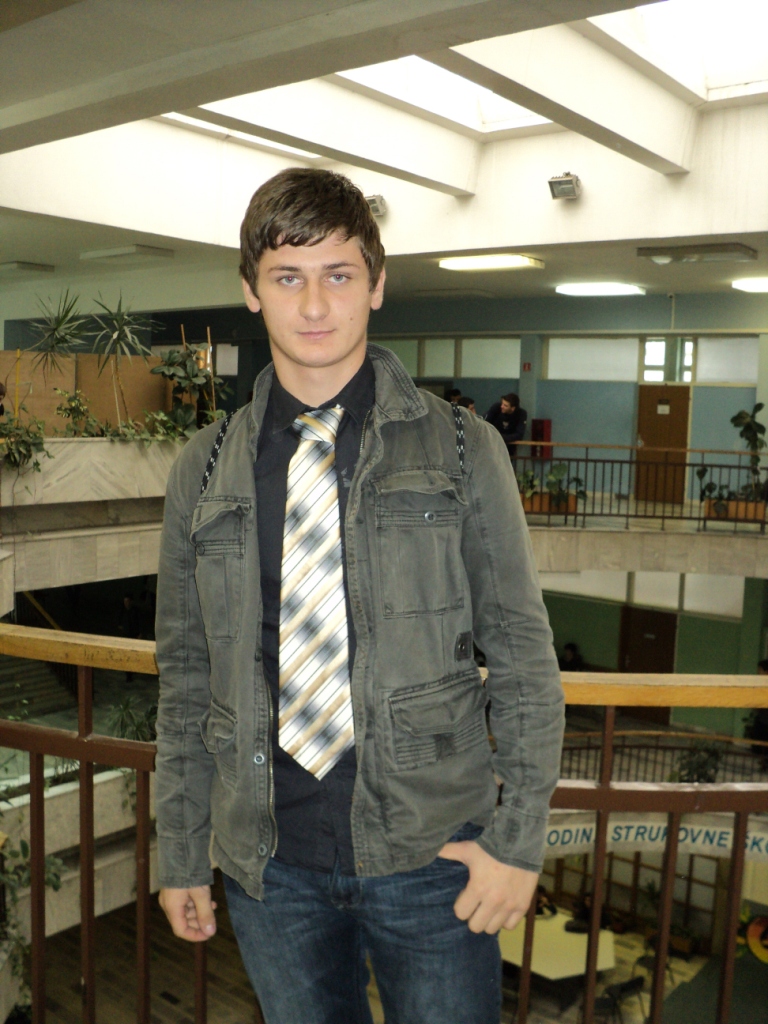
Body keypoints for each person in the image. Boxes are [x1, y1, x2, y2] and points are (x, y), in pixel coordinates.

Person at [154, 167, 564, 1024]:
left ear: (376, 284)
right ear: (251, 290)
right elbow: (187, 677)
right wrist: (181, 851)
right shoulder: (204, 467)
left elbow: (524, 656)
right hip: (270, 866)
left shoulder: (462, 448)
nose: (314, 306)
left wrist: (518, 841)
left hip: (434, 857)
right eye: (287, 278)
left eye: (338, 275)